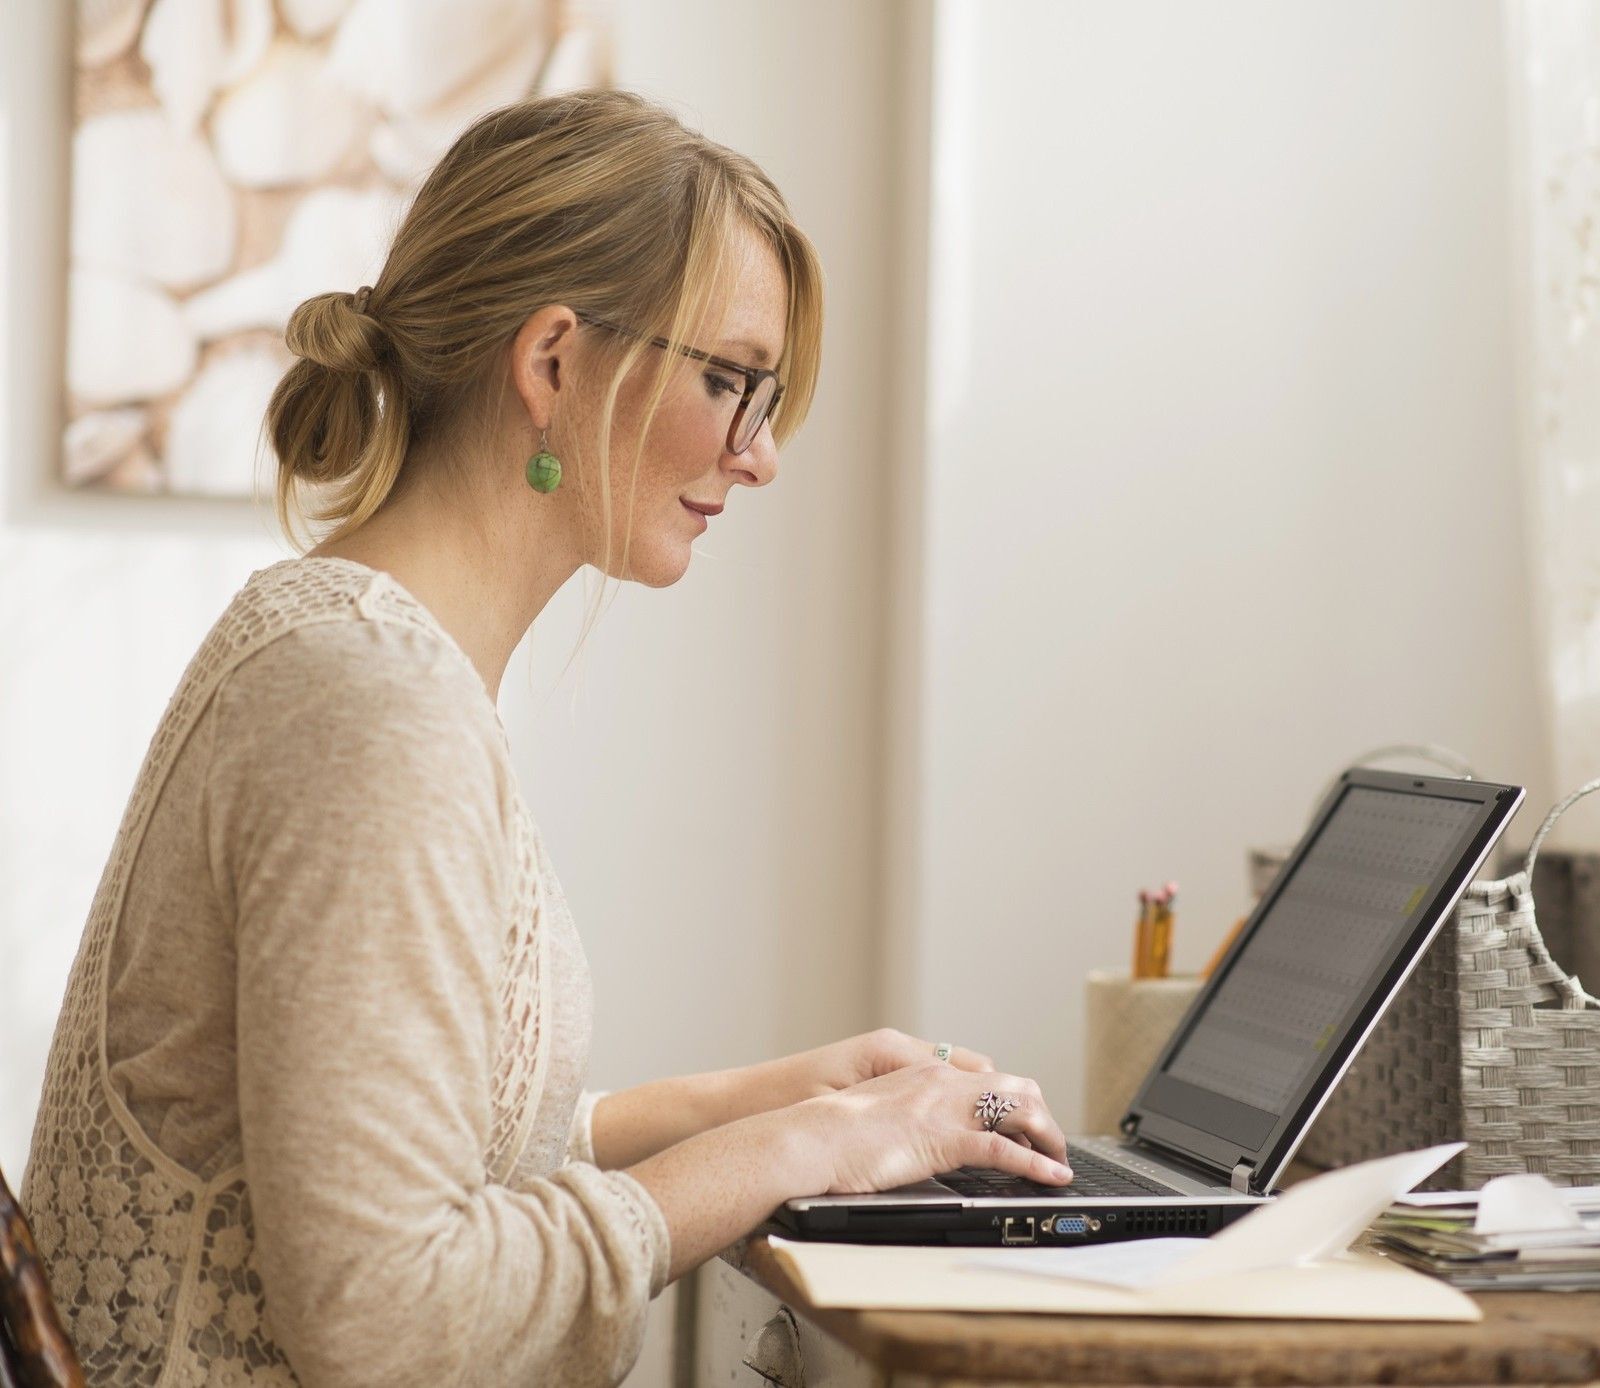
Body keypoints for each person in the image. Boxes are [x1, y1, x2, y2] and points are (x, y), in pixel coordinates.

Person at [22, 88, 1071, 1388]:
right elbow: (389, 1317)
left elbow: (434, 1154)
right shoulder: (373, 702)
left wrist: (780, 1101)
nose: (759, 457)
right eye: (732, 381)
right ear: (556, 362)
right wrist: (807, 1150)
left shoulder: (348, 644)